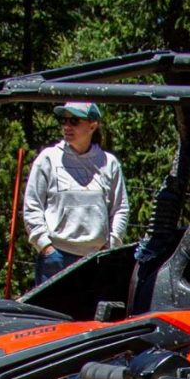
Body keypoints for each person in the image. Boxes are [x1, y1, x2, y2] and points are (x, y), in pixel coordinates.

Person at [22, 102, 130, 284]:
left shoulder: (109, 163)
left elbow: (120, 208)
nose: (66, 126)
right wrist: (44, 246)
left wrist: (111, 243)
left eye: (74, 121)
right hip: (55, 259)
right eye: (64, 120)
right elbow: (32, 206)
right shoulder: (48, 158)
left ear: (92, 125)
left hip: (96, 260)